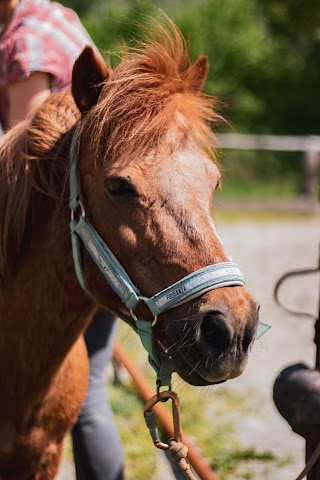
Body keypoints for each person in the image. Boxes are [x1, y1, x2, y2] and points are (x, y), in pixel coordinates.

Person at [0, 1, 125, 479]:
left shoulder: (24, 39)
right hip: (93, 231)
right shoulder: (61, 18)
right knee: (90, 391)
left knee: (80, 396)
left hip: (53, 249)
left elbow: (28, 153)